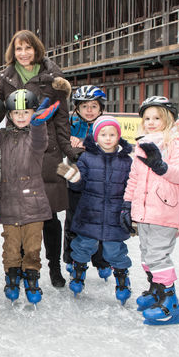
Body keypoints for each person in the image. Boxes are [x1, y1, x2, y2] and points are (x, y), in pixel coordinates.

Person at [0, 30, 76, 289]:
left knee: (48, 215)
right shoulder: (7, 77)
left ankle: (53, 266)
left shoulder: (54, 77)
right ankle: (18, 266)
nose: (23, 53)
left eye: (28, 48)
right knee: (19, 217)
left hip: (46, 152)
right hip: (18, 149)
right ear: (12, 52)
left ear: (36, 49)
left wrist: (68, 149)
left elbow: (61, 117)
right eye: (18, 49)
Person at [123, 96, 179, 325]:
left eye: (157, 118)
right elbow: (134, 178)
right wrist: (127, 205)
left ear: (168, 119)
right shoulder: (142, 145)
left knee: (158, 256)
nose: (151, 122)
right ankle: (157, 291)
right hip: (143, 212)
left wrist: (161, 166)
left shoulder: (175, 144)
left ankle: (170, 305)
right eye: (147, 118)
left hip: (165, 212)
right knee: (147, 253)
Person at [57, 116, 134, 304]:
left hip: (115, 216)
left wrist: (130, 210)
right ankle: (78, 272)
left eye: (112, 134)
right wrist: (74, 179)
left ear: (119, 136)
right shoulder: (87, 158)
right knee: (83, 246)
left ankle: (122, 279)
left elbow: (131, 187)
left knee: (115, 251)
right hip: (89, 213)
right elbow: (78, 186)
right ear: (96, 137)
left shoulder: (126, 162)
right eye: (103, 134)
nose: (107, 138)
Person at [0, 89, 60, 304]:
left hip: (34, 204)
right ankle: (12, 276)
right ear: (9, 116)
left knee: (33, 246)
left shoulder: (36, 139)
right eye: (17, 113)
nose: (22, 116)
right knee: (11, 245)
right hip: (8, 203)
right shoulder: (2, 137)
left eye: (27, 112)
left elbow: (39, 138)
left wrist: (38, 124)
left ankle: (32, 277)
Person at [63, 85, 111, 279]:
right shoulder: (69, 123)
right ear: (77, 108)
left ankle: (101, 260)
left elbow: (116, 143)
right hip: (74, 178)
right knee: (73, 219)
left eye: (93, 106)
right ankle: (72, 258)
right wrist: (68, 139)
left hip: (99, 181)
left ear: (101, 108)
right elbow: (56, 138)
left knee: (100, 220)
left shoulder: (107, 125)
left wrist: (88, 144)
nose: (89, 110)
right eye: (84, 106)